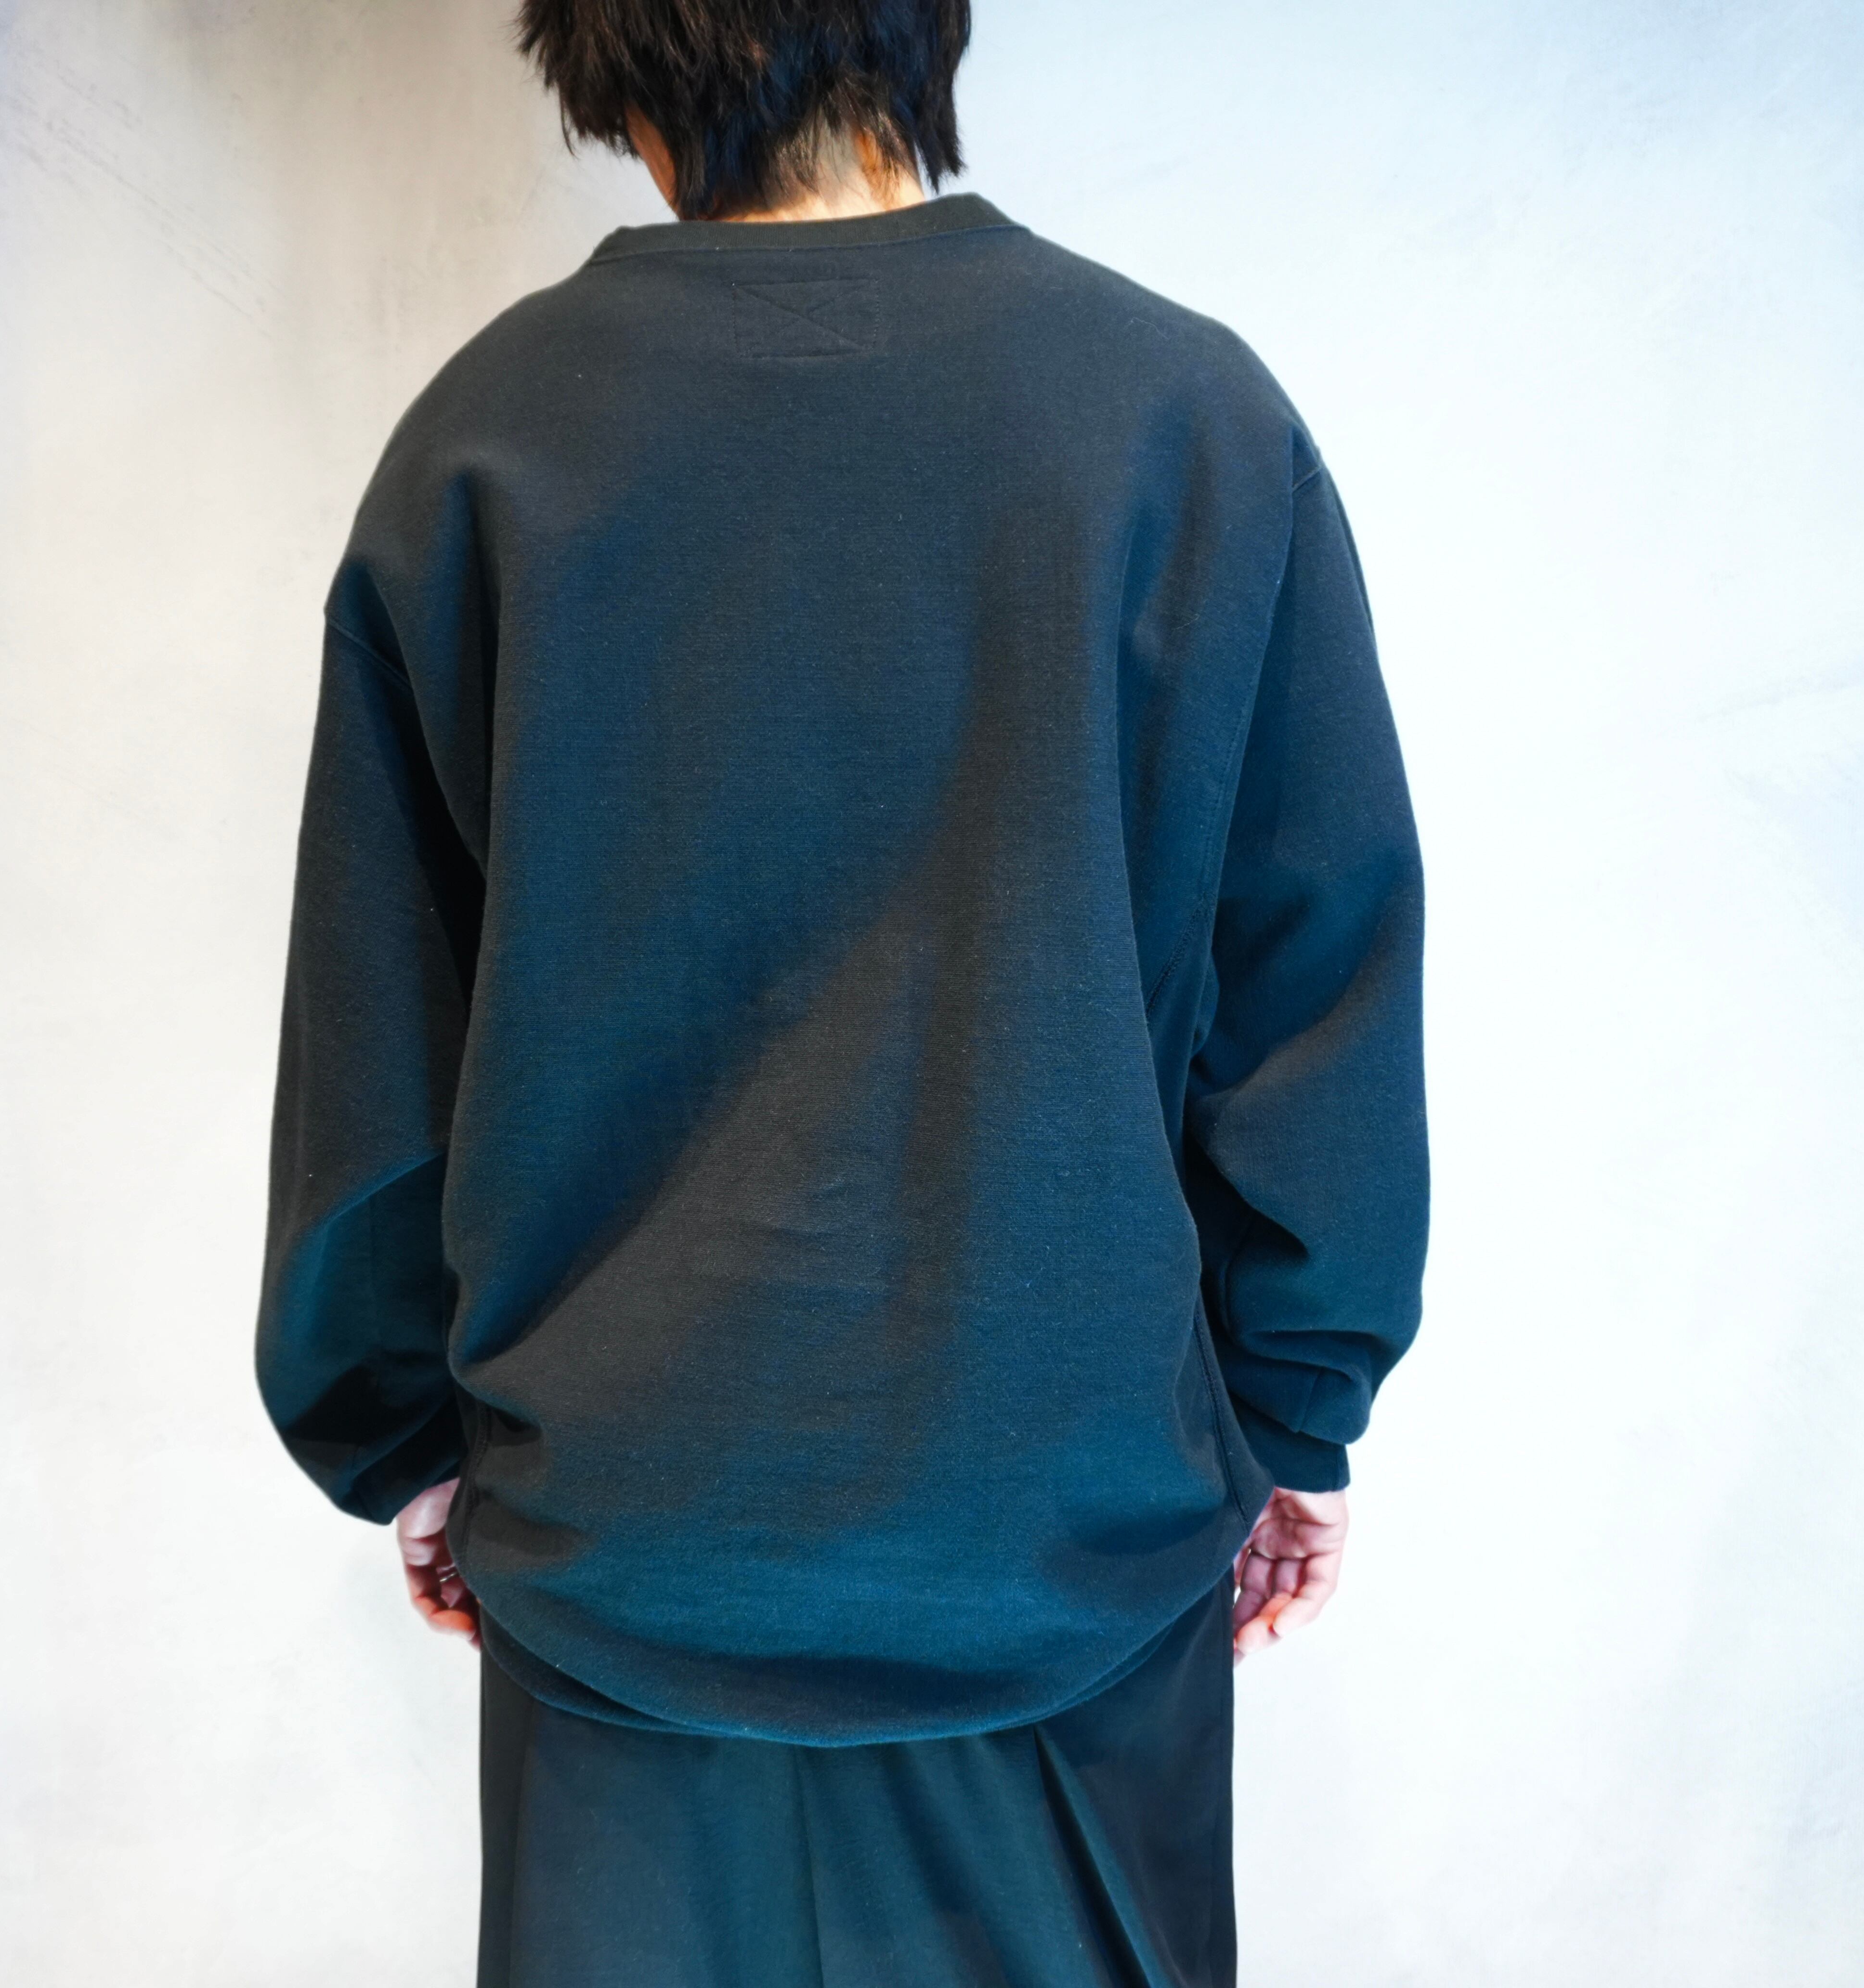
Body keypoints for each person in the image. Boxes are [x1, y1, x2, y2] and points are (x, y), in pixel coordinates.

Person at [252, 3, 1428, 1982]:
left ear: (602, 66)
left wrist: (408, 1435)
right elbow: (1314, 971)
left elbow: (382, 1016)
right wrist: (1297, 1411)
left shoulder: (488, 444)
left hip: (625, 1551)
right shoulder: (1183, 420)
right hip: (1072, 1541)